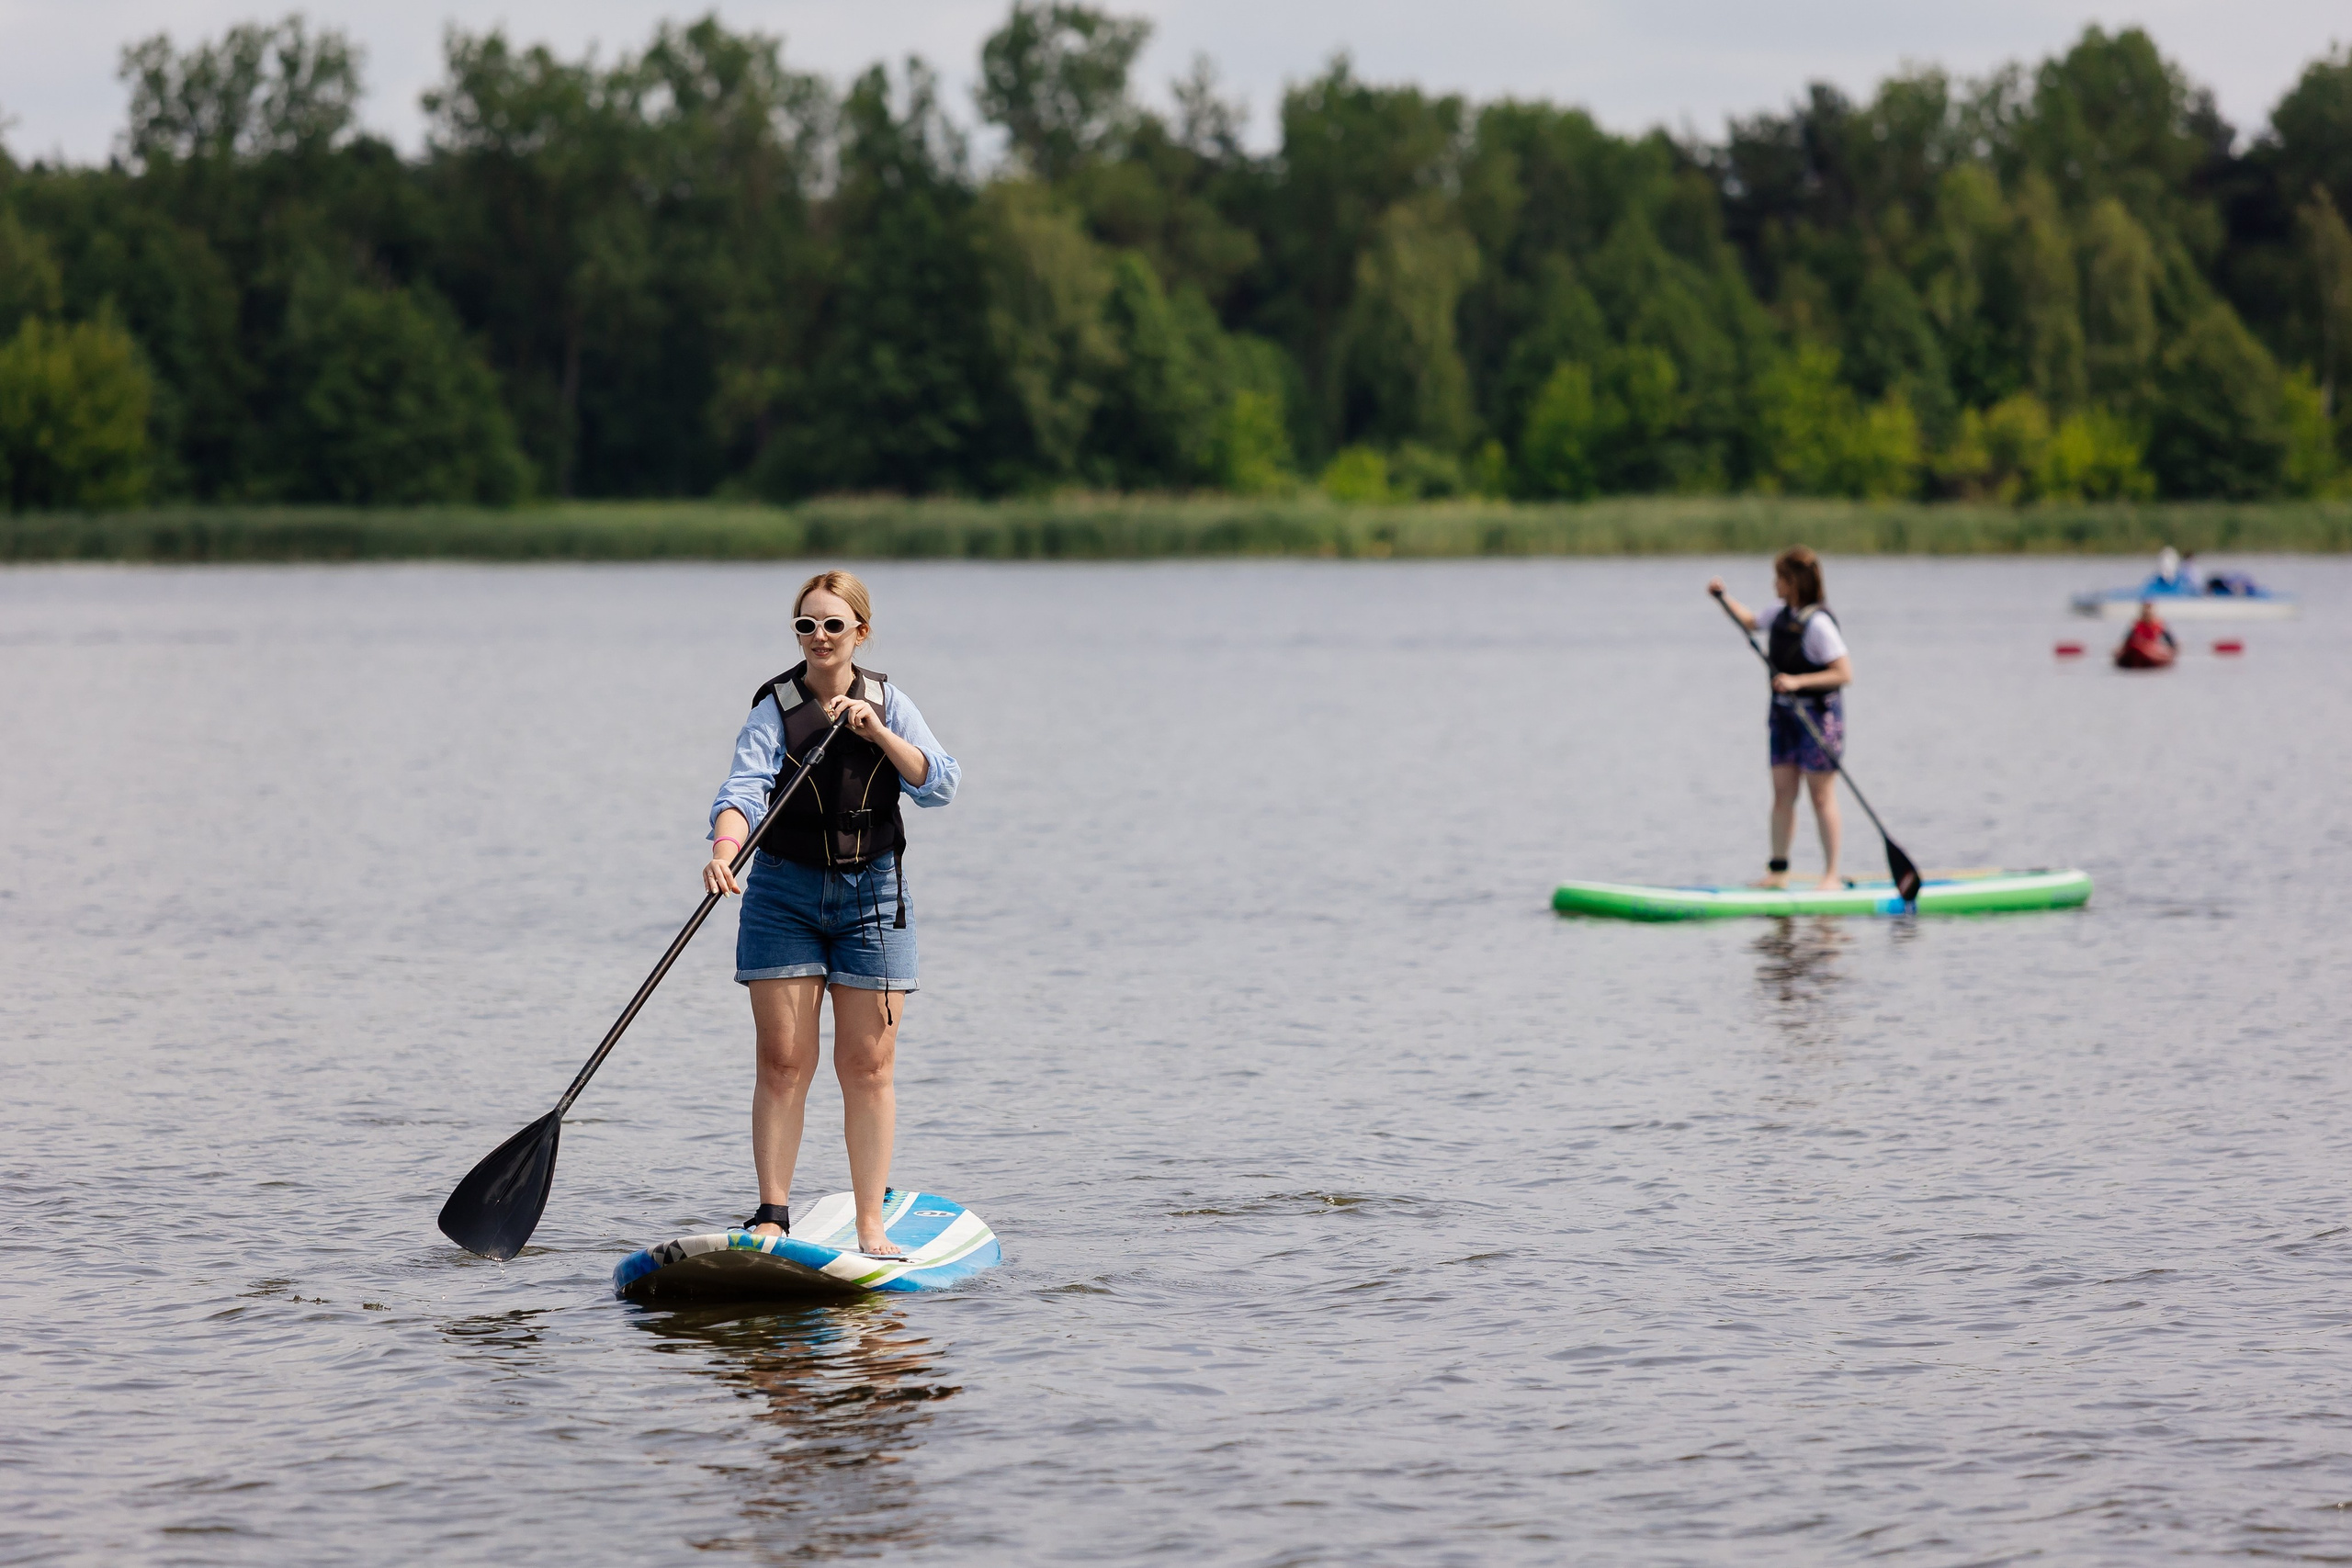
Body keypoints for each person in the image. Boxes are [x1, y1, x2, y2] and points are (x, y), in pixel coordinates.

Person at [703, 570, 959, 1256]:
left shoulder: (889, 701)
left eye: (833, 625)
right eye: (806, 625)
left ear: (860, 633)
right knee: (783, 1062)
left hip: (873, 898)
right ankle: (771, 1214)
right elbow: (742, 790)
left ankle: (871, 1226)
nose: (818, 636)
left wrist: (877, 732)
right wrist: (726, 849)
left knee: (868, 1066)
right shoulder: (774, 708)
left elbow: (940, 783)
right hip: (782, 894)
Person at [1707, 547, 1855, 891]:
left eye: (1779, 578)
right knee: (1782, 794)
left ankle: (1831, 875)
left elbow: (1844, 673)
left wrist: (1797, 682)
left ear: (1794, 582)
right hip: (1783, 716)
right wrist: (1722, 598)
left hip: (1818, 717)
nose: (1774, 583)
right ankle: (1778, 872)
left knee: (1821, 797)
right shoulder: (1778, 613)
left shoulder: (1818, 625)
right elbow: (1748, 621)